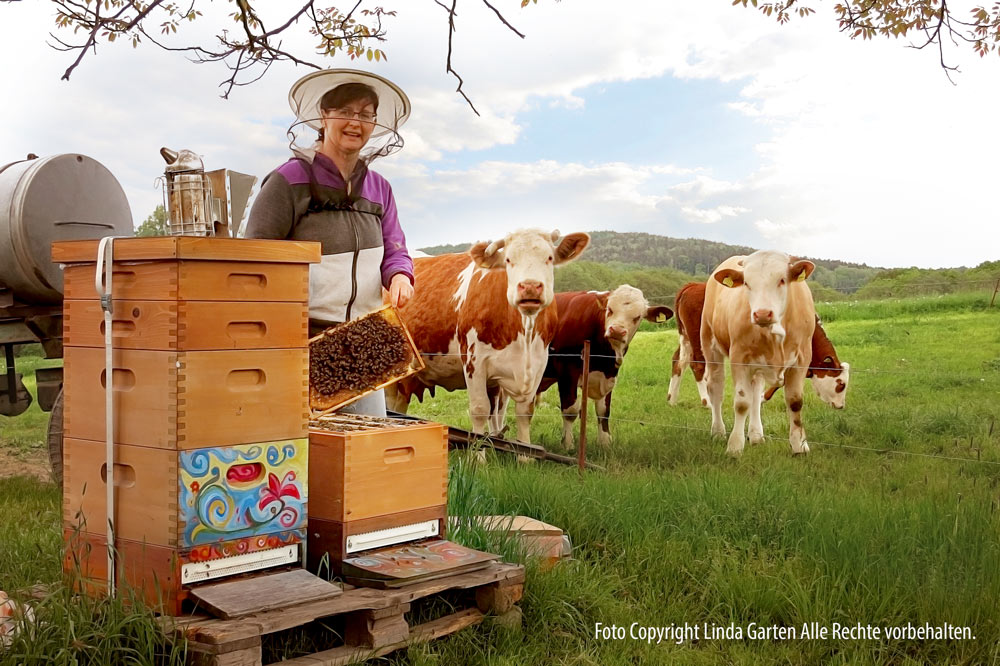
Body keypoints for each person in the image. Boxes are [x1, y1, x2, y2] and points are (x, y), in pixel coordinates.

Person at [245, 69, 414, 416]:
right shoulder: (287, 181)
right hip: (302, 339)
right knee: (304, 454)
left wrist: (399, 276)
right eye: (346, 112)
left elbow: (395, 248)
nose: (356, 123)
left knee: (364, 450)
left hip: (365, 339)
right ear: (324, 116)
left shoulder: (379, 188)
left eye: (366, 115)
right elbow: (255, 260)